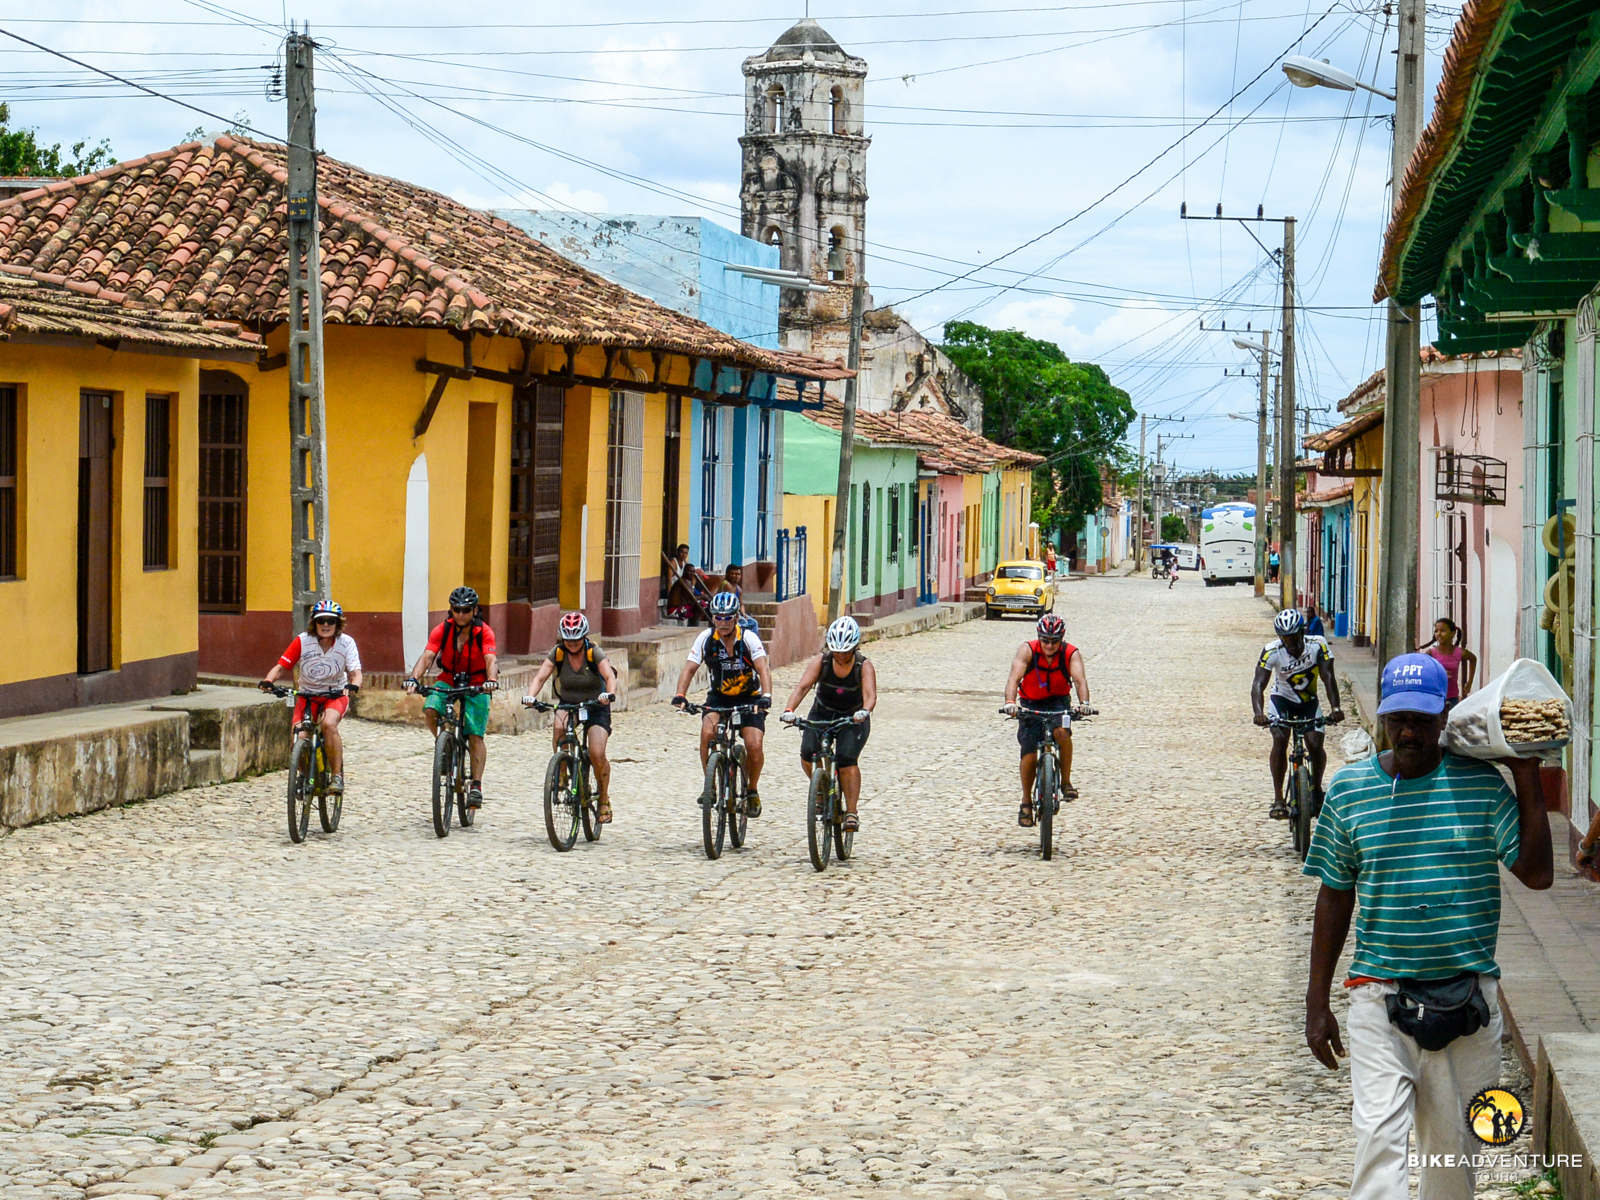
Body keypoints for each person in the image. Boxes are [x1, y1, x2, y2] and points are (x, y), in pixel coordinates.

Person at [1303, 653, 1552, 1200]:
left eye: (1421, 720)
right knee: (1377, 1144)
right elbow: (1334, 895)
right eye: (1398, 721)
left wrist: (1527, 775)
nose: (1409, 733)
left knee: (1453, 1158)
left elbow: (1537, 875)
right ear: (1384, 720)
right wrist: (1316, 1001)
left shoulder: (1481, 787)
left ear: (1445, 716)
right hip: (1378, 997)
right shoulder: (1349, 792)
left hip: (1467, 1003)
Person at [672, 589, 772, 816]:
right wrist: (681, 695)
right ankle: (711, 787)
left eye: (728, 617)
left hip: (749, 697)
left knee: (754, 743)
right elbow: (689, 668)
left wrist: (766, 696)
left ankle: (752, 790)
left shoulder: (748, 638)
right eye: (718, 617)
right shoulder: (706, 639)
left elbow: (763, 668)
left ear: (736, 617)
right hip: (719, 696)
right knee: (707, 734)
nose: (723, 622)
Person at [403, 586, 499, 809]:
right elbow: (427, 656)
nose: (461, 614)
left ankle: (476, 785)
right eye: (456, 609)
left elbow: (490, 659)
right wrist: (414, 679)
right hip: (449, 677)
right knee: (430, 709)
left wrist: (491, 681)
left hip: (477, 681)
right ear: (451, 610)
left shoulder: (484, 631)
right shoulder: (442, 630)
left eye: (466, 610)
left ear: (474, 611)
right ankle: (443, 747)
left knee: (475, 734)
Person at [780, 615, 877, 832]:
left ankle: (851, 811)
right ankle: (822, 789)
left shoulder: (863, 666)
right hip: (822, 713)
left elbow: (870, 695)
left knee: (846, 760)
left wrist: (864, 711)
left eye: (845, 651)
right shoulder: (822, 662)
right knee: (807, 752)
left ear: (854, 647)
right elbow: (802, 687)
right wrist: (789, 710)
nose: (840, 655)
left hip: (851, 718)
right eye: (836, 651)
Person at [521, 611, 619, 823]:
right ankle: (563, 770)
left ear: (584, 637)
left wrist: (608, 694)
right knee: (559, 726)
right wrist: (530, 696)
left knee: (596, 752)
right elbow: (540, 676)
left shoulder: (594, 652)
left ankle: (603, 799)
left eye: (576, 640)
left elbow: (609, 675)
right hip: (568, 703)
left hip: (596, 705)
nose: (572, 644)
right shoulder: (557, 653)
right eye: (568, 640)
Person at [260, 600, 362, 795]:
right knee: (298, 736)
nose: (325, 625)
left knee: (328, 725)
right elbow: (281, 667)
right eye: (321, 620)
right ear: (314, 623)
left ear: (337, 624)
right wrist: (268, 680)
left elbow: (356, 673)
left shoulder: (346, 642)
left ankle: (336, 777)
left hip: (335, 695)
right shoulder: (303, 640)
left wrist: (353, 685)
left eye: (330, 621)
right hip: (307, 696)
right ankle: (306, 776)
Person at [1252, 608, 1343, 820]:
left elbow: (1328, 677)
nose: (1289, 642)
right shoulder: (1271, 651)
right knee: (1280, 740)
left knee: (1315, 744)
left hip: (1308, 702)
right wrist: (1258, 712)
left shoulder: (1317, 644)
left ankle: (1317, 789)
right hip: (1281, 700)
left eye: (1293, 637)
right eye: (1284, 638)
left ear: (1301, 632)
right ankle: (1278, 799)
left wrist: (1336, 708)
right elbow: (1258, 683)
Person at [1002, 612, 1090, 827]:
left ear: (1062, 638)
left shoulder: (1071, 653)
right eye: (1045, 641)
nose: (1049, 646)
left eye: (1054, 641)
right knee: (1029, 752)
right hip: (1030, 703)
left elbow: (1079, 680)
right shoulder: (1028, 650)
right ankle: (1026, 802)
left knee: (1062, 733)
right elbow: (1014, 678)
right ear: (1039, 637)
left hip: (1059, 702)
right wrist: (1010, 702)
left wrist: (1084, 704)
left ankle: (1066, 781)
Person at [1422, 618, 1477, 712]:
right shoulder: (1431, 653)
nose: (1439, 634)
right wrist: (1438, 674)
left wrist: (1469, 682)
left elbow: (1473, 659)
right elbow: (1422, 671)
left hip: (1452, 697)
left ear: (1452, 633)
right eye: (1436, 631)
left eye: (1442, 631)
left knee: (1450, 723)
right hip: (1434, 696)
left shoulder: (1458, 652)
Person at [664, 543, 709, 622]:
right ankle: (694, 624)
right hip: (674, 608)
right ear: (677, 552)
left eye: (686, 553)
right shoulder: (673, 562)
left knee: (703, 603)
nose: (683, 555)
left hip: (684, 594)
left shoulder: (685, 564)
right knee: (700, 604)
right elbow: (669, 579)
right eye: (682, 552)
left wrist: (693, 588)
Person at [717, 561, 760, 633]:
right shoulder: (726, 585)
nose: (735, 576)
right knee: (744, 623)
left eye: (737, 574)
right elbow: (730, 603)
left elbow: (741, 604)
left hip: (736, 612)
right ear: (727, 574)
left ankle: (751, 642)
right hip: (725, 613)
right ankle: (738, 639)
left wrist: (743, 613)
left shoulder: (738, 589)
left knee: (753, 623)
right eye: (732, 574)